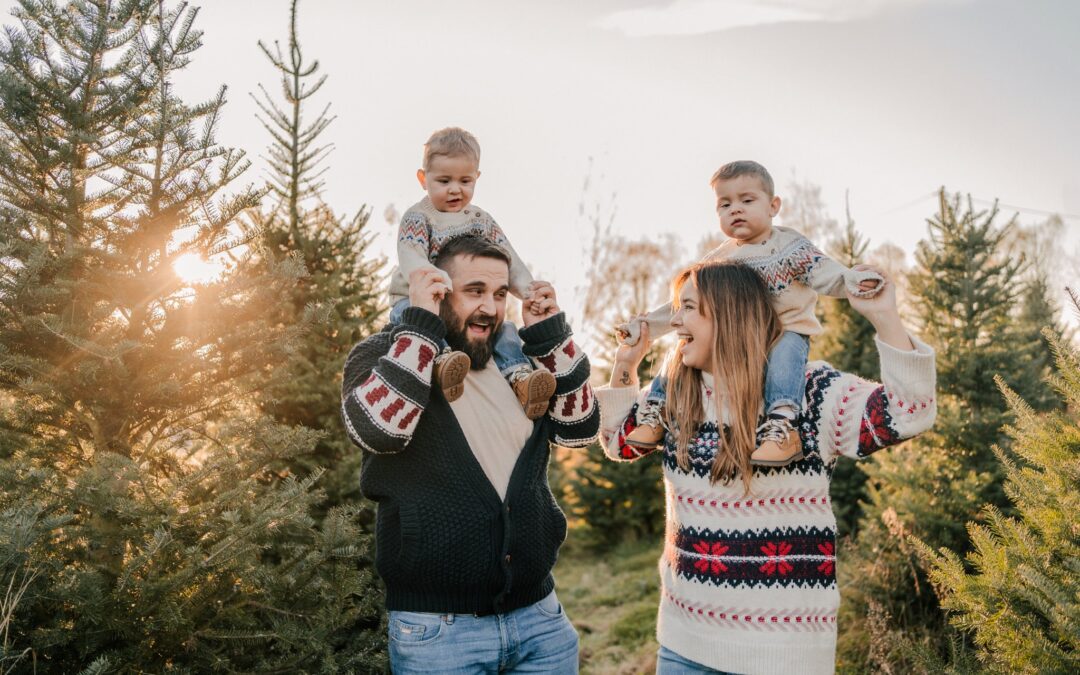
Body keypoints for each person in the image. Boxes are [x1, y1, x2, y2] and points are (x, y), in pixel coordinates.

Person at [598, 260, 936, 675]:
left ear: (729, 314)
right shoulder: (674, 394)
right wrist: (626, 364)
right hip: (685, 648)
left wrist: (884, 316)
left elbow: (909, 414)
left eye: (687, 308)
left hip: (784, 656)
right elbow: (619, 444)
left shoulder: (808, 393)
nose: (676, 321)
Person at [342, 235, 599, 673]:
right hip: (439, 634)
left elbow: (581, 428)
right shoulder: (381, 355)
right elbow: (379, 431)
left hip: (540, 620)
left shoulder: (517, 368)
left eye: (500, 294)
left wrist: (549, 331)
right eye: (474, 291)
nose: (491, 308)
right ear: (436, 290)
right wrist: (421, 321)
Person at [617, 161, 883, 466]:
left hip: (785, 330)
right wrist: (646, 324)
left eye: (747, 200)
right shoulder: (720, 259)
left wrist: (851, 280)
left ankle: (782, 428)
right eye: (725, 204)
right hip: (739, 338)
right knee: (682, 347)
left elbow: (825, 273)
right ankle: (656, 412)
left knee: (785, 356)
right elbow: (684, 304)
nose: (735, 210)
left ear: (773, 206)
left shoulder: (789, 246)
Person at [387, 126, 556, 419]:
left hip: (466, 305)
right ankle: (441, 361)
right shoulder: (419, 216)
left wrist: (529, 289)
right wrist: (427, 276)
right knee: (409, 318)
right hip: (420, 298)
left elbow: (508, 258)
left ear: (477, 178)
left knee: (505, 330)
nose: (455, 189)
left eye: (465, 180)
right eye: (444, 180)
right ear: (423, 179)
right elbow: (410, 253)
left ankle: (519, 378)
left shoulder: (481, 221)